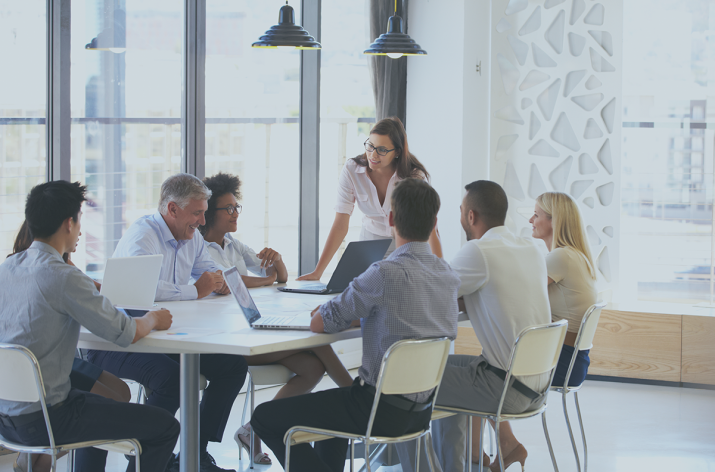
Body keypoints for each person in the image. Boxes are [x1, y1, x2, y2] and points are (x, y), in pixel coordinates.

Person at [251, 178, 461, 472]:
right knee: (332, 421)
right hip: (422, 410)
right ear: (434, 222)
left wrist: (343, 312)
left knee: (264, 417)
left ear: (390, 219)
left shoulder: (383, 273)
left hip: (376, 408)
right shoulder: (448, 276)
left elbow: (319, 323)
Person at [0, 181, 179, 472]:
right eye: (80, 220)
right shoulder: (63, 276)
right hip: (50, 419)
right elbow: (126, 332)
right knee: (165, 427)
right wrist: (153, 318)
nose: (81, 230)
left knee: (107, 396)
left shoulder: (6, 269)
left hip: (7, 419)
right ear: (69, 223)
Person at [86, 173, 248, 472]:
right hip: (125, 337)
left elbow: (210, 270)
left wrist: (220, 279)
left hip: (167, 332)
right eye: (197, 213)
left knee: (233, 366)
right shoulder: (142, 236)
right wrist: (195, 290)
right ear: (172, 209)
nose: (202, 221)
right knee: (172, 380)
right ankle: (142, 451)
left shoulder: (192, 236)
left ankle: (194, 454)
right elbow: (143, 290)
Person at [200, 172, 355, 465]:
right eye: (228, 209)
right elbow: (233, 281)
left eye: (236, 207)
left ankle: (252, 430)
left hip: (248, 327)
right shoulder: (199, 249)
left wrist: (278, 262)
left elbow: (280, 277)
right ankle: (354, 395)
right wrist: (266, 278)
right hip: (229, 341)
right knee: (317, 341)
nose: (235, 213)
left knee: (311, 367)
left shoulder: (232, 243)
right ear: (210, 214)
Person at [401, 181, 551, 472]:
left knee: (406, 384)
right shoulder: (530, 249)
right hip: (536, 384)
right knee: (440, 366)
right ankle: (453, 467)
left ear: (471, 216)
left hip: (506, 387)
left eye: (460, 211)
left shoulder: (480, 252)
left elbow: (427, 292)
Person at [9, 220, 132, 472]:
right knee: (111, 401)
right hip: (43, 370)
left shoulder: (52, 268)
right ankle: (40, 456)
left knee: (121, 393)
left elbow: (93, 293)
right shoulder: (50, 273)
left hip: (54, 363)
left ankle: (38, 456)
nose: (78, 233)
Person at [297, 117, 442, 281]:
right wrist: (318, 272)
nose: (373, 154)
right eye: (370, 146)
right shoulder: (352, 170)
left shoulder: (413, 176)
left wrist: (440, 274)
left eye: (381, 150)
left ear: (397, 152)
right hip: (370, 244)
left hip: (404, 244)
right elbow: (340, 224)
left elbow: (429, 228)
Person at [528, 192, 597, 387]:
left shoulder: (561, 257)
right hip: (574, 361)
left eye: (536, 215)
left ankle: (495, 414)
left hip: (561, 362)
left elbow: (520, 292)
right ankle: (499, 416)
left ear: (554, 221)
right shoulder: (575, 255)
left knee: (488, 367)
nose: (530, 220)